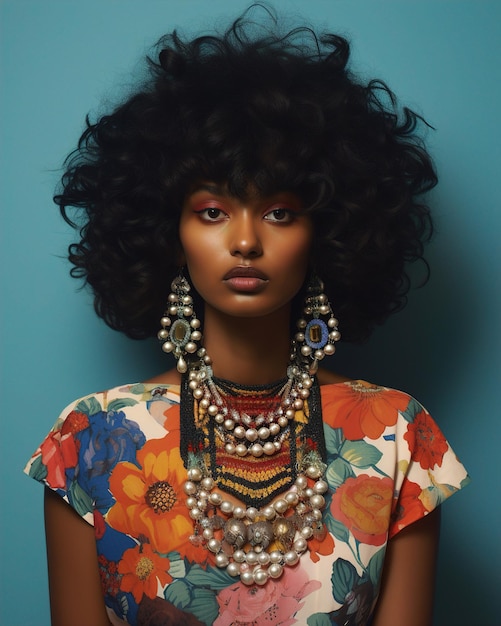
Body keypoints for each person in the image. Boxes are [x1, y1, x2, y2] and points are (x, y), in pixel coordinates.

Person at [24, 7, 469, 626]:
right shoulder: (90, 441)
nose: (245, 240)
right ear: (168, 230)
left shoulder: (398, 438)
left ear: (329, 231)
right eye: (212, 211)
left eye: (280, 212)